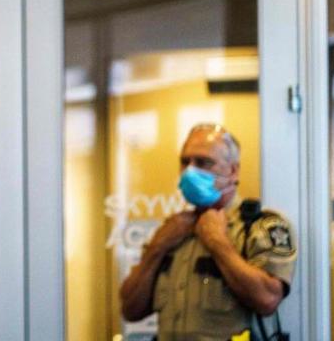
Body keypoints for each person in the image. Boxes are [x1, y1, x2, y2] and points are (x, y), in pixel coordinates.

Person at [119, 123, 296, 340]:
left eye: (204, 162)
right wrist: (157, 248)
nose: (190, 171)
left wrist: (218, 243)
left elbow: (267, 299)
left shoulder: (259, 227)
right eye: (185, 162)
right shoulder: (172, 231)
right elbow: (130, 309)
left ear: (232, 171)